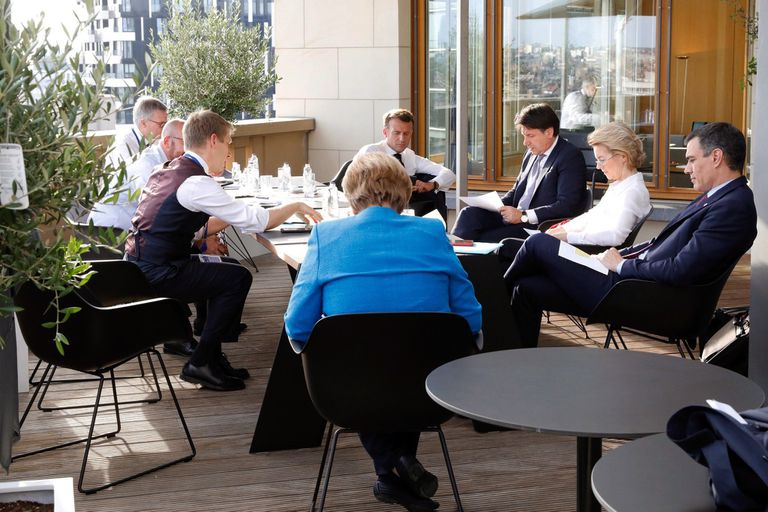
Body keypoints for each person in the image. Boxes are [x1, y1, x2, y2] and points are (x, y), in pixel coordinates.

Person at [284, 152, 482, 512]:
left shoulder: (326, 236)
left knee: (367, 361)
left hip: (347, 390)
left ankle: (392, 471)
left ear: (350, 193)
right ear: (404, 190)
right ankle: (397, 469)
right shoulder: (431, 231)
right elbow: (470, 315)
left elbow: (297, 324)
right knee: (403, 356)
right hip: (430, 385)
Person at [504, 121, 757, 348]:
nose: (686, 168)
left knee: (538, 242)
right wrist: (614, 257)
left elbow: (681, 269)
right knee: (527, 288)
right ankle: (510, 354)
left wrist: (623, 266)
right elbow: (658, 245)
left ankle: (492, 305)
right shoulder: (718, 198)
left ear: (716, 157)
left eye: (691, 160)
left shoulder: (732, 207)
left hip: (642, 296)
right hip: (633, 286)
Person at [125, 110, 322, 392]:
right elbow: (258, 221)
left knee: (227, 267)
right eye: (229, 143)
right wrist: (295, 206)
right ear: (214, 140)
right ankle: (201, 361)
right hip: (159, 272)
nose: (228, 153)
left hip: (137, 266)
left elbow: (184, 226)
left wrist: (226, 218)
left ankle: (213, 357)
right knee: (237, 278)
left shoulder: (169, 169)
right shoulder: (196, 182)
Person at [452, 103, 587, 242]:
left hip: (537, 225)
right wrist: (496, 205)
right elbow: (516, 191)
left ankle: (459, 259)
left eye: (530, 136)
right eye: (524, 136)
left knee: (482, 239)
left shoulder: (569, 156)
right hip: (515, 217)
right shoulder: (531, 153)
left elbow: (567, 206)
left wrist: (524, 215)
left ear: (549, 132)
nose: (525, 142)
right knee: (469, 214)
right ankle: (448, 257)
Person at [544, 122, 651, 247]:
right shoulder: (620, 186)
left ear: (623, 156)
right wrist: (563, 229)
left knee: (533, 244)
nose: (598, 166)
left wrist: (567, 236)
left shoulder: (633, 192)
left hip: (590, 256)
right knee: (533, 243)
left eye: (602, 159)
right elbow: (592, 216)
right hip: (585, 250)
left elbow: (616, 236)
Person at [357, 108, 455, 221]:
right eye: (397, 133)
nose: (402, 139)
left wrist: (432, 184)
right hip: (372, 210)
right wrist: (406, 184)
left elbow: (449, 173)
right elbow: (369, 183)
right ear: (385, 132)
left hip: (404, 212)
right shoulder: (371, 152)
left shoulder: (409, 156)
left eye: (406, 133)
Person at [88, 119, 185, 231]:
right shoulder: (148, 165)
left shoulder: (162, 160)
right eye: (184, 142)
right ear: (167, 141)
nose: (188, 149)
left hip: (123, 230)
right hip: (108, 232)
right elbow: (154, 210)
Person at [107, 96, 169, 167]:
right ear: (143, 123)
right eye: (161, 124)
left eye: (166, 123)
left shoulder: (155, 139)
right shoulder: (123, 146)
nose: (165, 128)